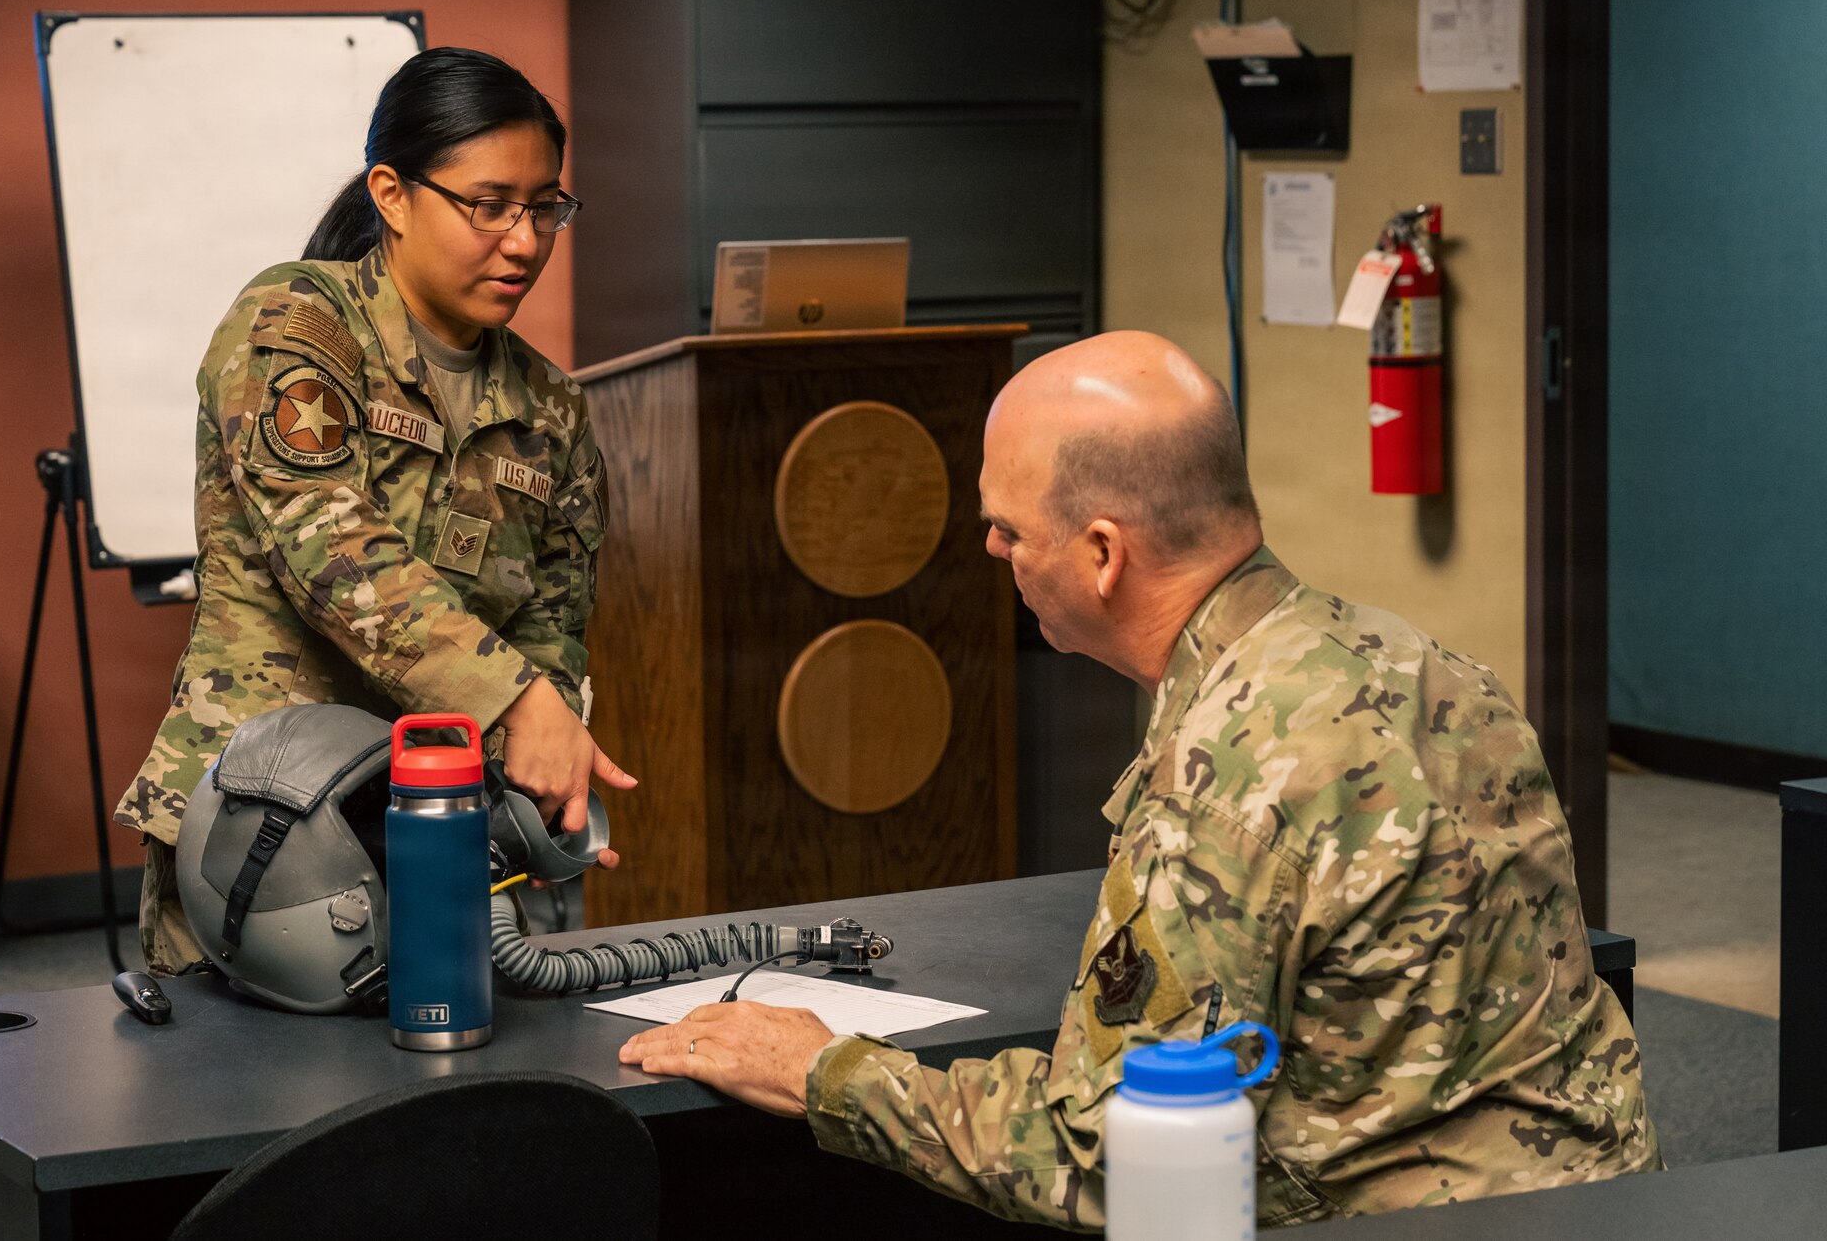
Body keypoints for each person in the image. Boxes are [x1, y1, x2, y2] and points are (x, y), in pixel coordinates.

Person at [619, 330, 1659, 1229]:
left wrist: (823, 1069)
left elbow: (1105, 1153)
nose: (990, 547)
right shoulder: (1430, 666)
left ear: (1104, 551)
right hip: (1605, 1201)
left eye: (1010, 529)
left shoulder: (1222, 772)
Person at [115, 47, 634, 975]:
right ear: (392, 194)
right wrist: (519, 703)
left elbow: (553, 628)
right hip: (259, 836)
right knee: (237, 1109)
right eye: (489, 205)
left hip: (436, 842)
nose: (524, 240)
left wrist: (543, 785)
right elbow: (335, 554)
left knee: (440, 1107)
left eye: (545, 206)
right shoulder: (294, 324)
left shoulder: (551, 411)